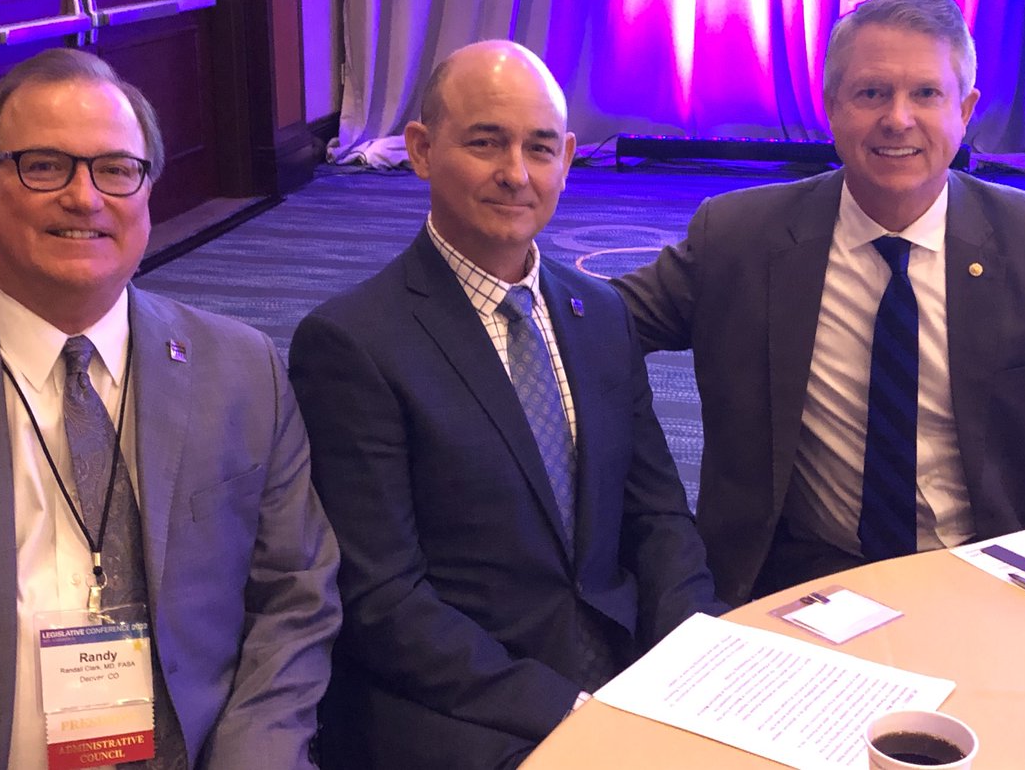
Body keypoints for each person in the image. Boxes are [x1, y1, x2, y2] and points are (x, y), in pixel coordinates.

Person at [289, 40, 726, 770]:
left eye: (540, 148)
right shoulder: (353, 344)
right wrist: (573, 712)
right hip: (465, 704)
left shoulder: (600, 313)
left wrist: (696, 652)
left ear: (569, 158)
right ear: (423, 150)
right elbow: (385, 602)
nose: (516, 174)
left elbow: (656, 514)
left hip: (622, 661)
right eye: (486, 143)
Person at [0, 48, 341, 770]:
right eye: (45, 166)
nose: (85, 197)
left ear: (146, 191)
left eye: (115, 168)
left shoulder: (241, 370)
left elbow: (296, 598)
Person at [614, 0, 1025, 606]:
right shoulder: (741, 238)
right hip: (801, 575)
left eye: (926, 93)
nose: (898, 119)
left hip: (987, 573)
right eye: (872, 92)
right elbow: (598, 323)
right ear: (830, 107)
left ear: (966, 108)